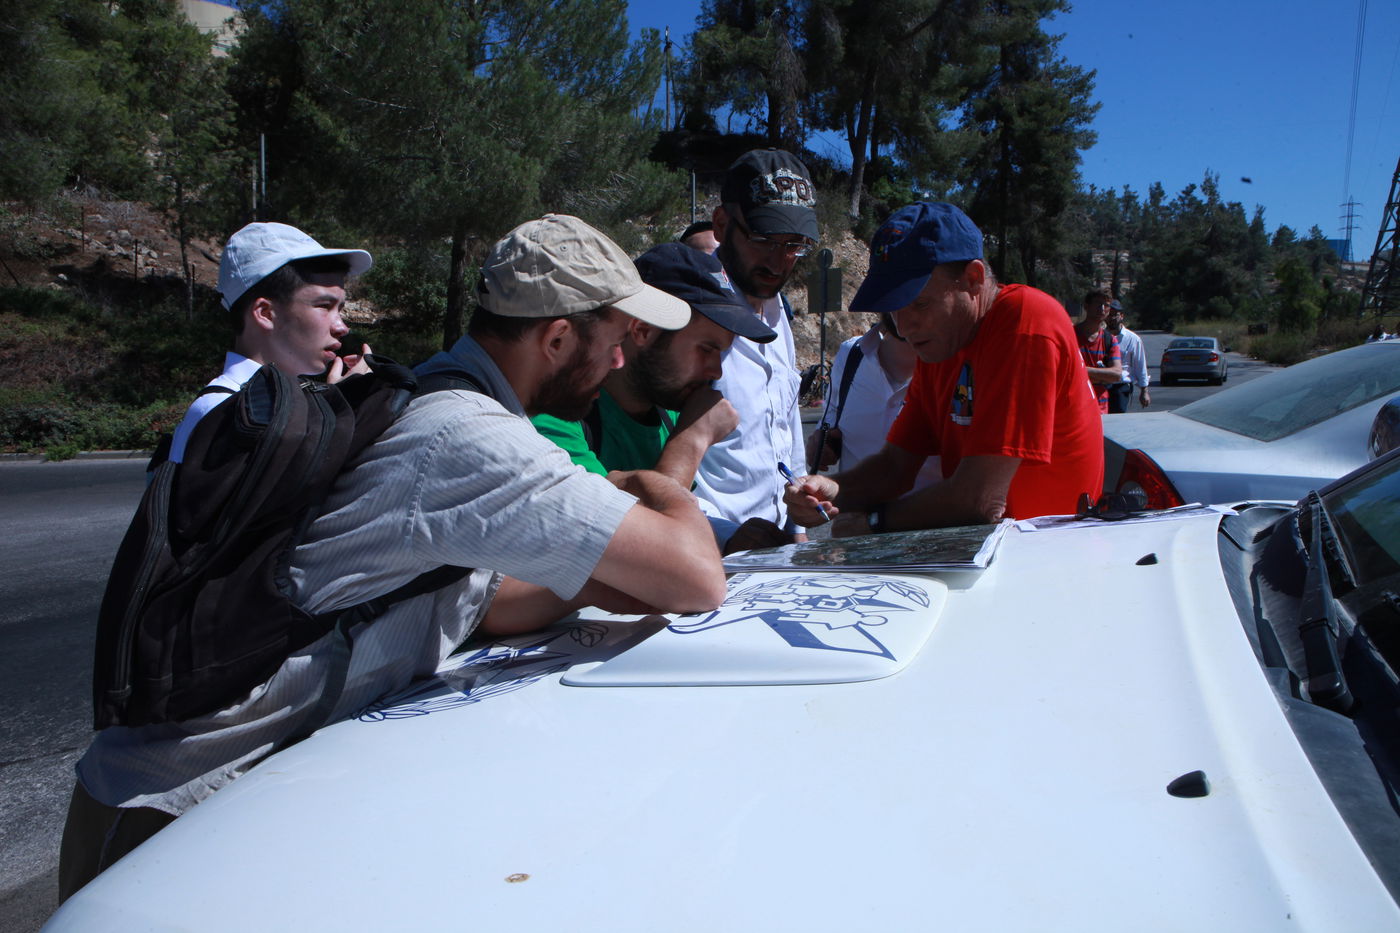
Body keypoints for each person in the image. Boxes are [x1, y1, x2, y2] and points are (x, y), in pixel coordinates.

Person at [60, 214, 728, 900]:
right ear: (557, 337)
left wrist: (602, 571)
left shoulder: (435, 387)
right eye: (614, 341)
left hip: (210, 808)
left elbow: (484, 601)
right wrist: (643, 481)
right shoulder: (470, 441)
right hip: (162, 824)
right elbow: (697, 576)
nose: (621, 362)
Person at [784, 202, 1104, 536]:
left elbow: (981, 500)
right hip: (1000, 553)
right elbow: (895, 466)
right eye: (894, 310)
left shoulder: (1025, 321)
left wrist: (873, 523)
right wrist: (832, 490)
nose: (904, 327)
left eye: (920, 304)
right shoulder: (942, 347)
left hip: (1051, 558)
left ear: (973, 279)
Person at [531, 242, 788, 553]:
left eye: (722, 353)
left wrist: (729, 537)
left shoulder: (670, 412)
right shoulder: (560, 415)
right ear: (643, 331)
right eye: (706, 349)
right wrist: (693, 439)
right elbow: (631, 548)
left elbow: (685, 514)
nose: (716, 371)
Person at [167, 222, 375, 463]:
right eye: (323, 306)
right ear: (265, 313)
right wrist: (341, 405)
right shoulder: (227, 411)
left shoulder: (282, 402)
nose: (342, 327)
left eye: (340, 308)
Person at [693, 148, 818, 536]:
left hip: (777, 553)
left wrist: (798, 531)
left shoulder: (779, 309)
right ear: (721, 223)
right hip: (712, 551)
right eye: (764, 239)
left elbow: (787, 428)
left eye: (793, 245)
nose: (779, 262)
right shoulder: (688, 319)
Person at [806, 318, 941, 491]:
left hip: (931, 515)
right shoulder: (852, 355)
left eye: (921, 302)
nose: (906, 311)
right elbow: (832, 413)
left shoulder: (959, 362)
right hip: (853, 511)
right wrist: (824, 443)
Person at [1074, 290, 1121, 414]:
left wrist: (1081, 370)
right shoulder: (1069, 335)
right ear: (1086, 306)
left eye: (1106, 305)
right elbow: (1064, 372)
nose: (1102, 308)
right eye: (1097, 303)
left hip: (1100, 409)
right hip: (1073, 407)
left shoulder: (1109, 340)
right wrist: (1102, 377)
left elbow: (1116, 374)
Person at [1106, 300, 1150, 412]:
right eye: (1109, 314)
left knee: (1117, 419)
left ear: (1121, 316)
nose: (1112, 318)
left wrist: (1144, 391)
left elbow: (1140, 365)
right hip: (1102, 385)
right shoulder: (1100, 336)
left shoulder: (1132, 339)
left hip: (1121, 386)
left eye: (1115, 314)